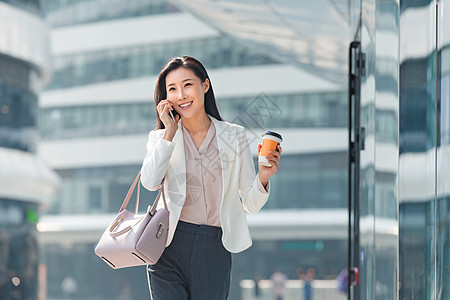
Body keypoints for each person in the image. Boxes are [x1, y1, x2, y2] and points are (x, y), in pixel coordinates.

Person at [141, 56, 282, 299]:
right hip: (168, 246)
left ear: (204, 86)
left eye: (187, 85)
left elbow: (250, 203)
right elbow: (150, 182)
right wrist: (169, 133)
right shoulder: (161, 138)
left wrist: (263, 177)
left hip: (213, 247)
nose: (181, 95)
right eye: (172, 89)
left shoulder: (233, 135)